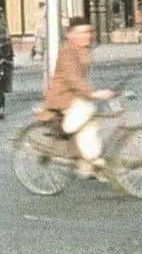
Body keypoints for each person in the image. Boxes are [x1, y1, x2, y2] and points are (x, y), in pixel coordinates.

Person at [41, 18, 114, 175]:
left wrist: (97, 92)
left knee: (91, 124)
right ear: (70, 35)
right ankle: (68, 131)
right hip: (63, 97)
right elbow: (72, 78)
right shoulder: (68, 52)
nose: (86, 36)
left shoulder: (83, 50)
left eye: (88, 32)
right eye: (81, 33)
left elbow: (82, 79)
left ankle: (90, 163)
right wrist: (93, 93)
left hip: (76, 96)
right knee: (87, 113)